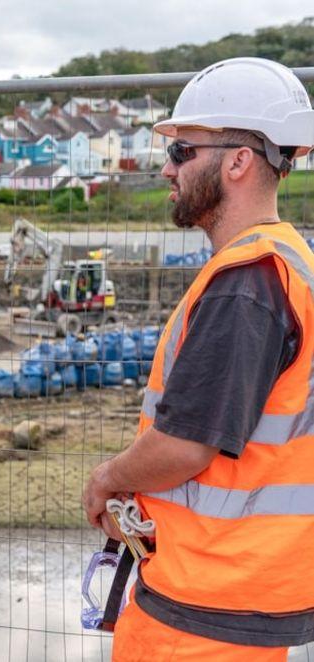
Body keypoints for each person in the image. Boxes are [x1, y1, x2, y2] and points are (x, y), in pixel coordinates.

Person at [81, 57, 314, 661]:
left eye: (183, 151)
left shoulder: (246, 282)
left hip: (203, 612)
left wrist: (109, 479)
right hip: (236, 591)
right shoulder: (286, 264)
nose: (167, 168)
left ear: (238, 160)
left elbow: (188, 443)